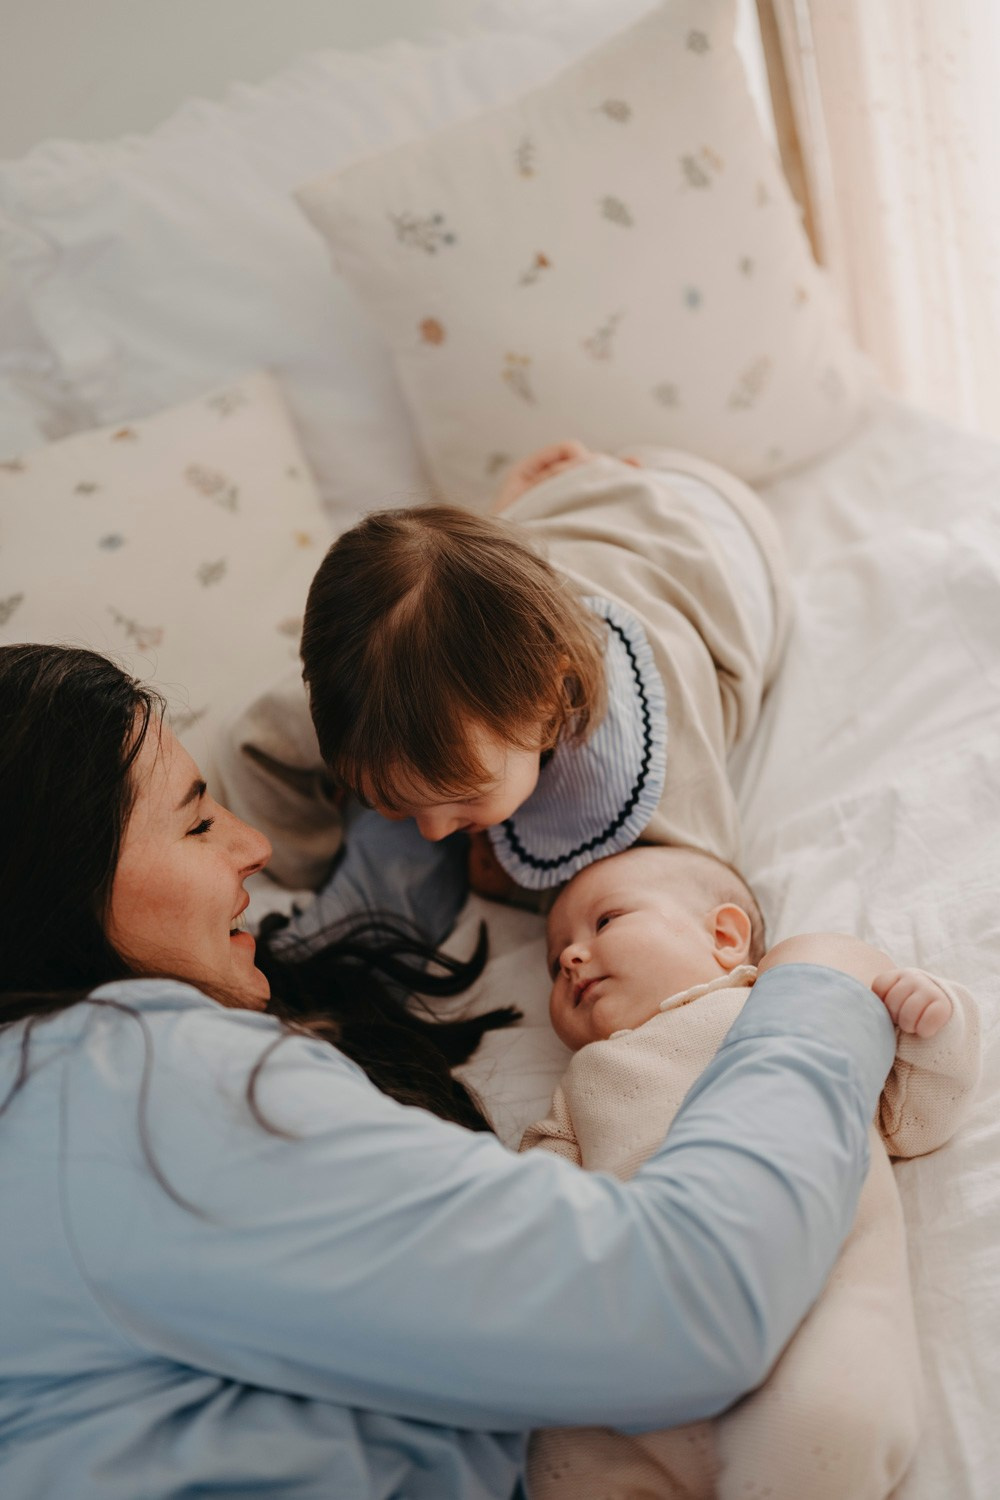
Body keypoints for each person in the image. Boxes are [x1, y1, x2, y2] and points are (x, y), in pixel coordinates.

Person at [0, 643, 901, 1500]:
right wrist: (819, 987)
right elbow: (679, 1303)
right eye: (196, 821)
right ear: (56, 891)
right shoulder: (128, 1082)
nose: (253, 846)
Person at [523, 843, 981, 1500]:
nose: (569, 958)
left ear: (725, 935)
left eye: (604, 923)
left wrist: (933, 1024)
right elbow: (539, 1193)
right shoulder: (579, 1084)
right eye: (551, 959)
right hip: (645, 1328)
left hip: (816, 1296)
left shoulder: (779, 1004)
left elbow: (920, 1115)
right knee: (567, 1454)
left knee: (817, 1422)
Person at [216, 438, 792, 908]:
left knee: (493, 577)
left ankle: (552, 502)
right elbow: (256, 745)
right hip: (569, 517)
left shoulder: (646, 762)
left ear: (549, 705)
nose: (433, 834)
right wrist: (302, 874)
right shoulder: (365, 686)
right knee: (455, 582)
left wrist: (516, 883)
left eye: (464, 800)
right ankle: (515, 517)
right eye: (388, 804)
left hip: (727, 541)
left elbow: (697, 899)